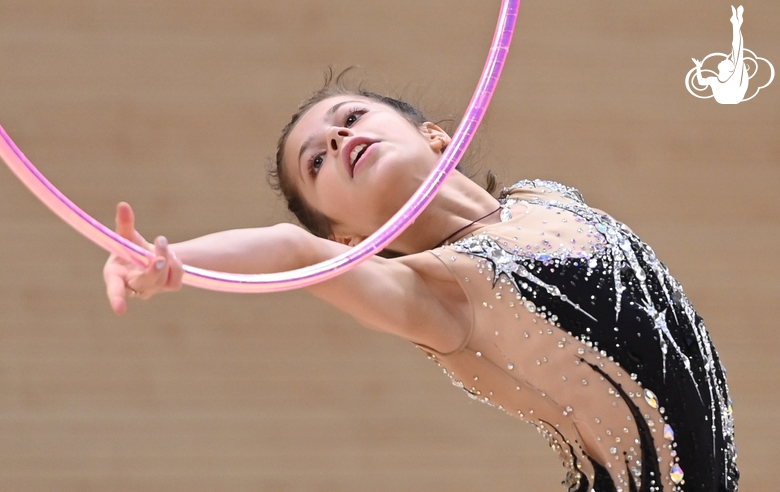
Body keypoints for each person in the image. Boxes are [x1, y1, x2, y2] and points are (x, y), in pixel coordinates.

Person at [102, 74, 739, 491]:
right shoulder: (439, 295)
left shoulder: (545, 195)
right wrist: (170, 262)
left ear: (433, 135)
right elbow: (292, 251)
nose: (336, 136)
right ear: (346, 239)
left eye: (349, 116)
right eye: (316, 161)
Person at [692, 5, 748, 104]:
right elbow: (700, 82)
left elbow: (737, 49)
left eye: (726, 61)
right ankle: (736, 23)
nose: (724, 59)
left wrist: (698, 68)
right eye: (728, 61)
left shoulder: (730, 78)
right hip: (730, 98)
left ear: (729, 69)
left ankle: (736, 23)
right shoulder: (716, 79)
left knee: (737, 51)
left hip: (731, 97)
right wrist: (698, 67)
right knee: (737, 52)